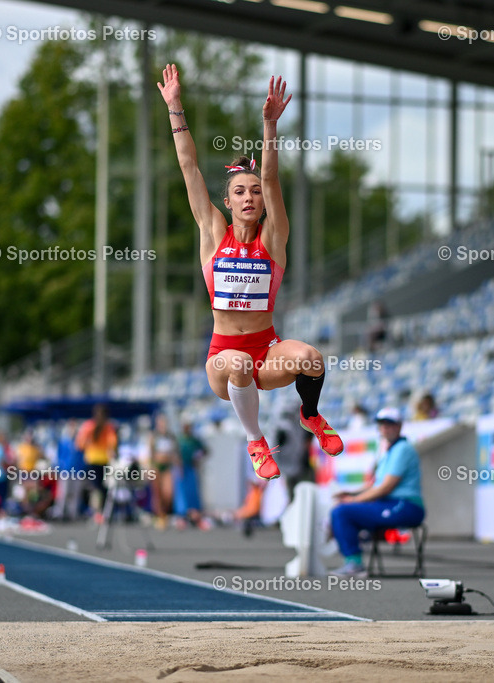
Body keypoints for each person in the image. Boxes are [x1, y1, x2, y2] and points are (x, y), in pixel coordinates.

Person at [158, 64, 343, 482]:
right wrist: (175, 107)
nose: (249, 197)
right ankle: (255, 439)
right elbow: (189, 167)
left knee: (312, 359)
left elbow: (273, 177)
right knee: (239, 363)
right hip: (224, 359)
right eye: (240, 191)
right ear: (226, 201)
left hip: (268, 348)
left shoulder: (273, 239)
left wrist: (269, 127)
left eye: (255, 192)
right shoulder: (212, 234)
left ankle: (310, 415)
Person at [329, 407, 425, 577]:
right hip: (394, 503)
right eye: (382, 424)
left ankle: (354, 563)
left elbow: (385, 487)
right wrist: (351, 494)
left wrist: (353, 500)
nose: (385, 428)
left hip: (405, 506)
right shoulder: (390, 450)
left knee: (342, 512)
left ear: (399, 426)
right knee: (342, 510)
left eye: (389, 424)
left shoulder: (402, 449)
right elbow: (375, 485)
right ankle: (353, 560)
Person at [76, 404, 118, 523]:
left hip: (96, 460)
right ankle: (98, 512)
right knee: (99, 488)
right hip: (97, 461)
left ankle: (98, 512)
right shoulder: (100, 427)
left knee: (98, 488)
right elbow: (113, 444)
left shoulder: (92, 426)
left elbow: (80, 444)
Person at [274, 397, 315, 503]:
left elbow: (309, 441)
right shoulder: (283, 429)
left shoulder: (304, 424)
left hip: (303, 466)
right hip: (290, 468)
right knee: (292, 497)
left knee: (306, 496)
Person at [174, 420, 209, 529]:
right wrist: (178, 464)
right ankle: (182, 516)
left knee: (192, 491)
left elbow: (205, 451)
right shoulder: (179, 440)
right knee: (181, 493)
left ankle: (195, 515)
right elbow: (175, 453)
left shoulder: (194, 440)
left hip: (191, 467)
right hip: (181, 468)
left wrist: (197, 458)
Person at [149, 414, 178, 530]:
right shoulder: (154, 436)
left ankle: (165, 512)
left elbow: (175, 452)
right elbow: (150, 452)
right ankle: (160, 516)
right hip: (157, 466)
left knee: (168, 492)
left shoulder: (171, 436)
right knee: (158, 493)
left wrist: (178, 464)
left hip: (167, 466)